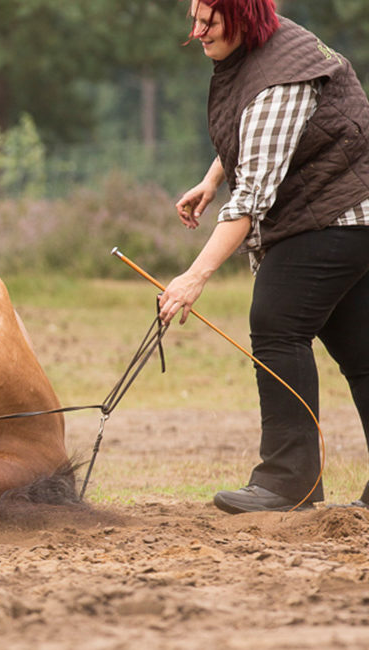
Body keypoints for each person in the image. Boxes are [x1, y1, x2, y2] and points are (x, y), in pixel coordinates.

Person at [160, 0, 369, 513]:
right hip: (349, 209)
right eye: (194, 17)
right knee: (362, 351)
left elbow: (252, 198)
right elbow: (254, 134)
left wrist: (193, 276)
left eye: (209, 19)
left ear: (244, 16)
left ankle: (287, 480)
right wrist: (212, 179)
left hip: (337, 211)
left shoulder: (280, 79)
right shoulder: (266, 50)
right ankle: (292, 478)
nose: (198, 30)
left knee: (276, 321)